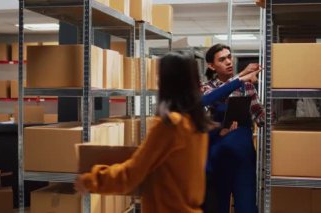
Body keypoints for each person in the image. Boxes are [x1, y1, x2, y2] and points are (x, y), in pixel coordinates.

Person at [74, 51, 261, 213]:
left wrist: (91, 180)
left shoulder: (169, 125)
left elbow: (132, 174)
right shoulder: (198, 124)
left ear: (167, 81)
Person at [202, 43, 264, 213]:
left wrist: (268, 118)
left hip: (243, 158)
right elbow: (205, 103)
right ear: (212, 66)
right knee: (217, 207)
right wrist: (240, 77)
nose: (229, 61)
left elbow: (258, 113)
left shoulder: (248, 86)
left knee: (247, 208)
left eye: (229, 57)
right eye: (222, 59)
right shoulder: (207, 88)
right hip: (218, 159)